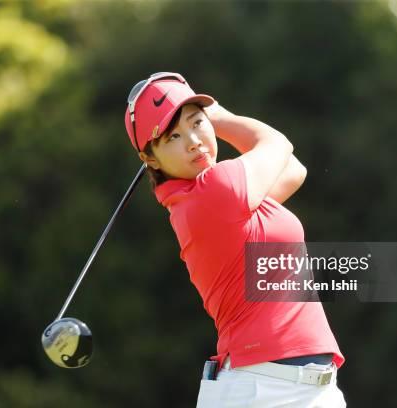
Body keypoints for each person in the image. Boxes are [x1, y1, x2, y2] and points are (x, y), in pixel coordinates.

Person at [124, 72, 346, 407]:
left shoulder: (206, 200)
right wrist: (218, 115)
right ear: (150, 159)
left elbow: (293, 169)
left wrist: (206, 117)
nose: (194, 141)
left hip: (297, 389)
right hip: (266, 391)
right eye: (172, 137)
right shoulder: (215, 190)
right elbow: (279, 144)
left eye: (196, 123)